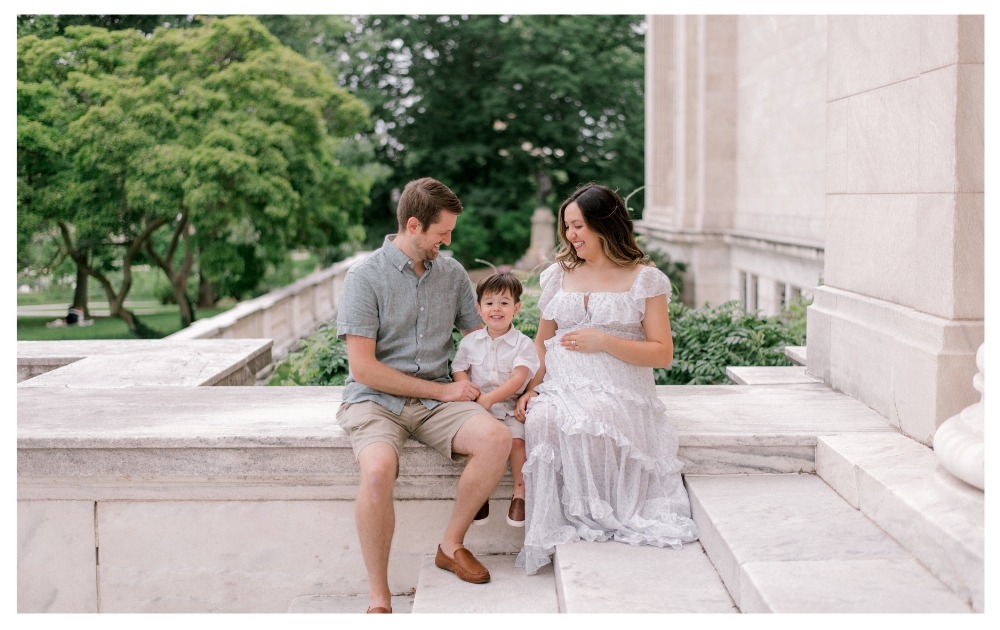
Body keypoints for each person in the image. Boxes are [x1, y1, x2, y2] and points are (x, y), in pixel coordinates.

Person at [336, 177, 512, 613]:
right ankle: (379, 597)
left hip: (438, 403)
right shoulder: (363, 277)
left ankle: (451, 546)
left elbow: (479, 337)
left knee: (496, 439)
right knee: (377, 470)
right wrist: (443, 390)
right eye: (442, 233)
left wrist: (520, 384)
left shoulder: (450, 273)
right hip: (376, 399)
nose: (448, 241)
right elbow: (364, 368)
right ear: (413, 225)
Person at [514, 183, 699, 575]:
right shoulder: (557, 275)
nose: (571, 236)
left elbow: (662, 352)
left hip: (619, 387)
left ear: (604, 224)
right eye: (567, 226)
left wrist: (604, 341)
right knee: (543, 420)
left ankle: (599, 513)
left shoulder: (644, 279)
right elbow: (542, 341)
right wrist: (531, 389)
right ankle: (555, 524)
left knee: (596, 415)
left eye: (578, 226)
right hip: (560, 385)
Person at [452, 273, 540, 528]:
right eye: (489, 303)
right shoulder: (470, 342)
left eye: (504, 302)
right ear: (479, 309)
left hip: (511, 407)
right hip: (479, 408)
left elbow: (518, 378)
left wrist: (489, 398)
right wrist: (466, 388)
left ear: (516, 308)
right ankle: (479, 496)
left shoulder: (522, 344)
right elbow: (459, 369)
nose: (497, 309)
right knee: (479, 445)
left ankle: (520, 494)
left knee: (516, 442)